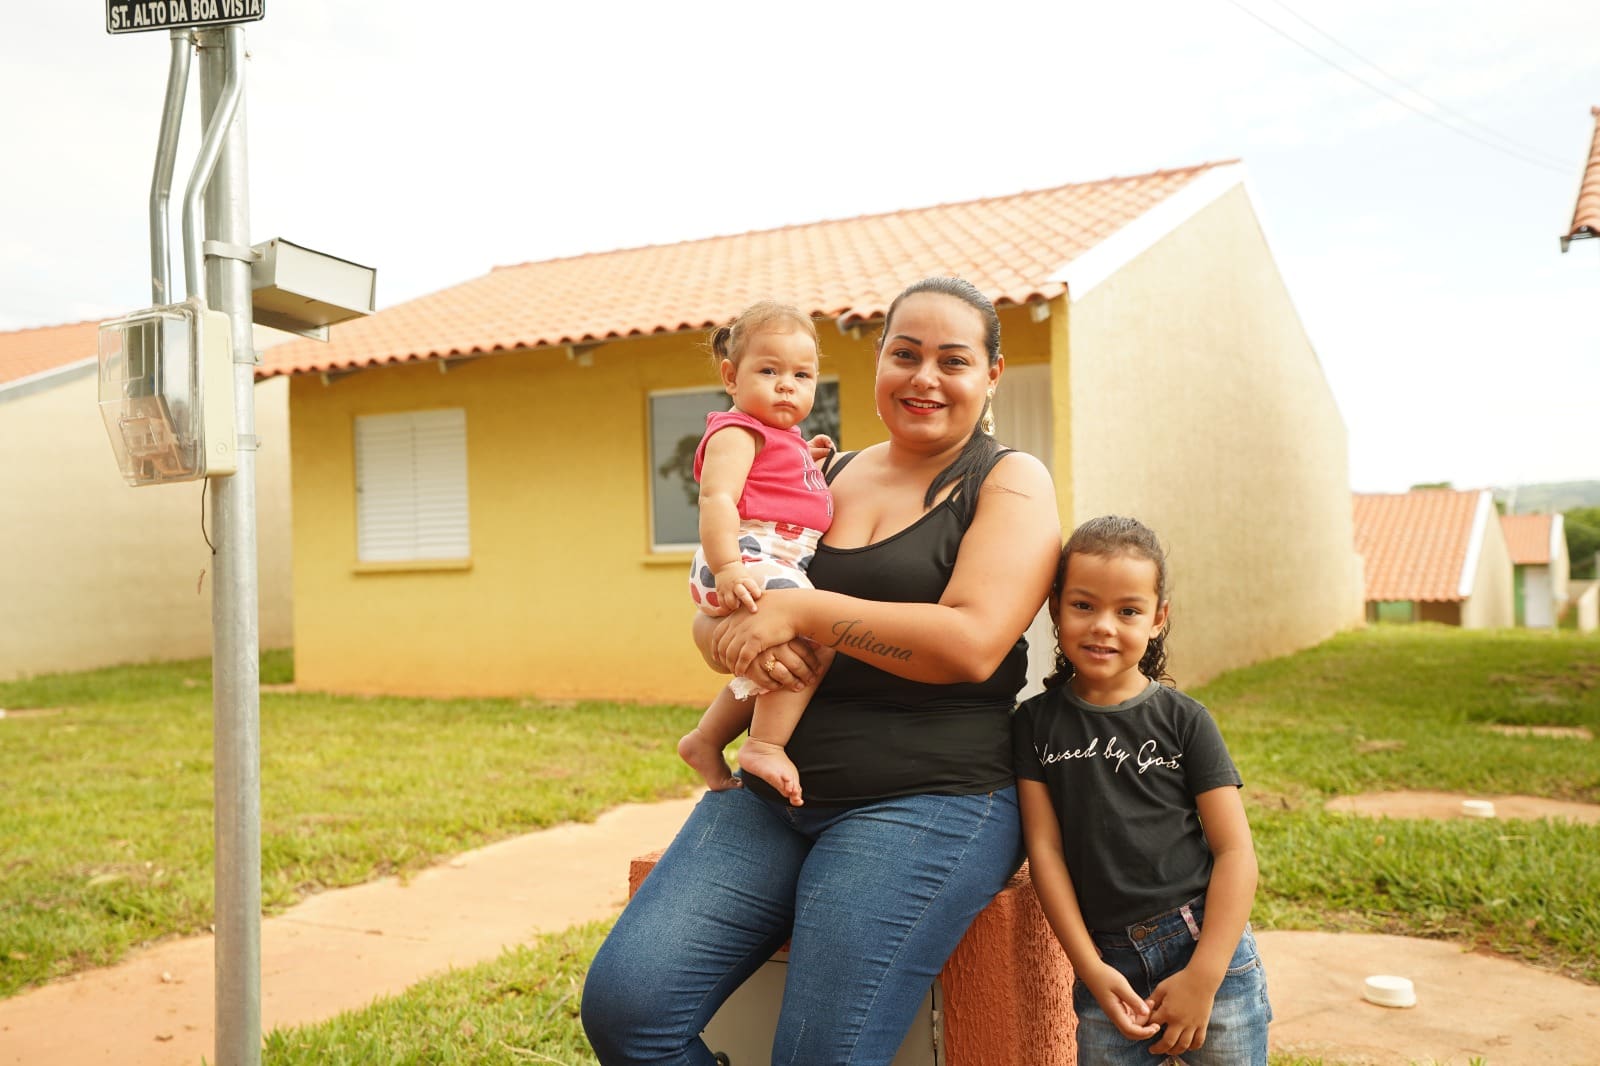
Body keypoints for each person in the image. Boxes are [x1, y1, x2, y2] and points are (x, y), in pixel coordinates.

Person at [581, 276, 1061, 1065]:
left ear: (992, 374)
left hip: (930, 796)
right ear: (878, 361)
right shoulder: (826, 474)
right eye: (904, 354)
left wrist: (806, 615)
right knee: (627, 1009)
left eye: (953, 360)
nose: (925, 378)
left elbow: (971, 643)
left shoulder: (1009, 480)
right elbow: (745, 594)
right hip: (777, 788)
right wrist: (720, 635)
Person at [1012, 515, 1271, 1065]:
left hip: (1207, 951)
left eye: (1127, 611)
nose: (1103, 626)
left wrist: (1204, 975)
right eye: (1084, 605)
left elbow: (1235, 851)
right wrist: (1090, 967)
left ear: (1158, 619)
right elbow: (1045, 851)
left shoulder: (1185, 720)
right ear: (1055, 608)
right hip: (1108, 968)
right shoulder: (1034, 725)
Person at [678, 300, 836, 805]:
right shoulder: (737, 431)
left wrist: (805, 461)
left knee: (769, 661)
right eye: (769, 371)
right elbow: (718, 499)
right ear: (731, 376)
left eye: (802, 375)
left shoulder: (780, 438)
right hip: (745, 555)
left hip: (766, 557)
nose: (787, 385)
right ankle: (765, 744)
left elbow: (774, 484)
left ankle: (706, 739)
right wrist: (727, 567)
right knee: (822, 629)